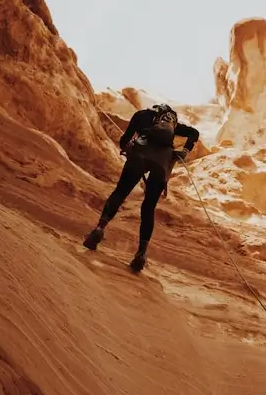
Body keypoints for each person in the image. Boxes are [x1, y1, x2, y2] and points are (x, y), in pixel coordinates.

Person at [83, 104, 199, 272]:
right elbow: (194, 133)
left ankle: (99, 229)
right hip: (162, 161)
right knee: (149, 207)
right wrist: (185, 151)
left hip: (139, 154)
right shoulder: (173, 126)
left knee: (121, 192)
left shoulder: (141, 116)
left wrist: (127, 147)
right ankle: (141, 253)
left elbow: (125, 140)